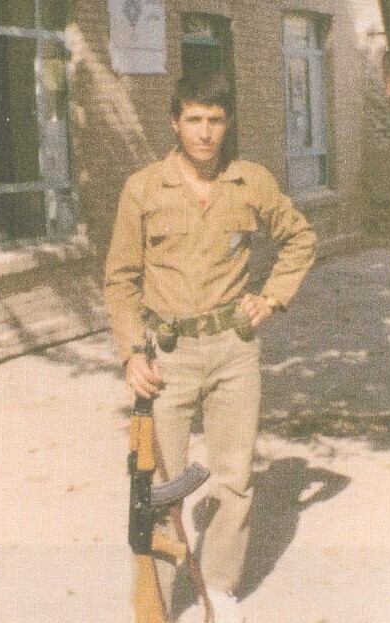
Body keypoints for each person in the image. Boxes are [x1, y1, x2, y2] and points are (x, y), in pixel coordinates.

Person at [104, 72, 315, 622]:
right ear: (175, 123)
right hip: (166, 355)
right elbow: (120, 278)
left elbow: (299, 238)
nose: (204, 132)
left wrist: (272, 297)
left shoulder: (251, 182)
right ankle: (155, 603)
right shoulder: (144, 188)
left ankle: (219, 587)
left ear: (228, 124)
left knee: (234, 477)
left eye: (215, 120)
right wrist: (131, 353)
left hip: (232, 350)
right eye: (194, 119)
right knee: (158, 486)